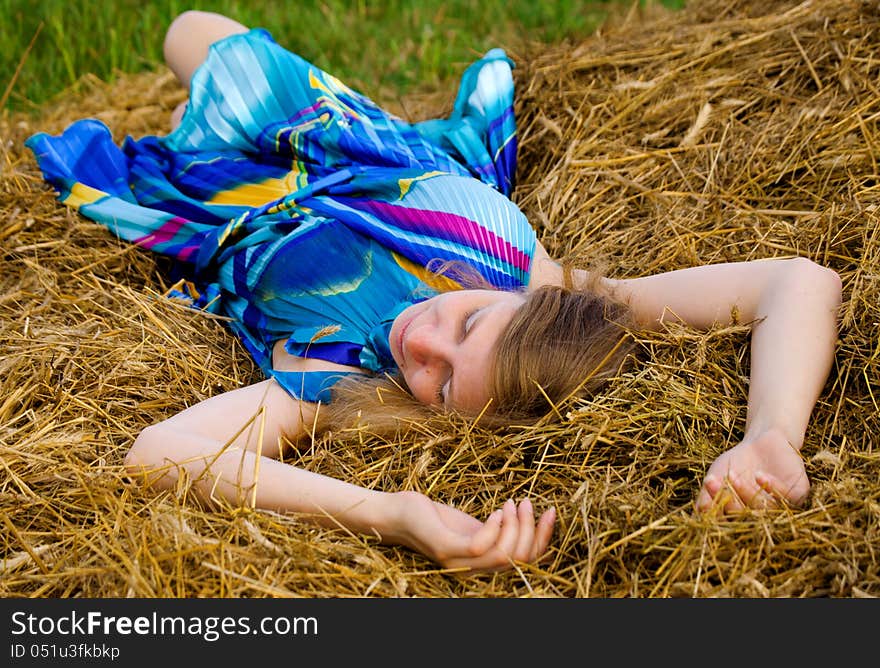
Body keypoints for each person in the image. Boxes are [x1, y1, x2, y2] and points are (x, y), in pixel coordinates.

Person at [25, 10, 842, 572]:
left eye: (445, 381)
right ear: (522, 301)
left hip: (237, 204)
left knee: (185, 44)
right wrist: (776, 433)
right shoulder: (547, 282)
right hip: (348, 146)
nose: (424, 343)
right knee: (189, 31)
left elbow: (157, 456)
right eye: (469, 319)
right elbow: (796, 282)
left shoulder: (343, 376)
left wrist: (389, 512)